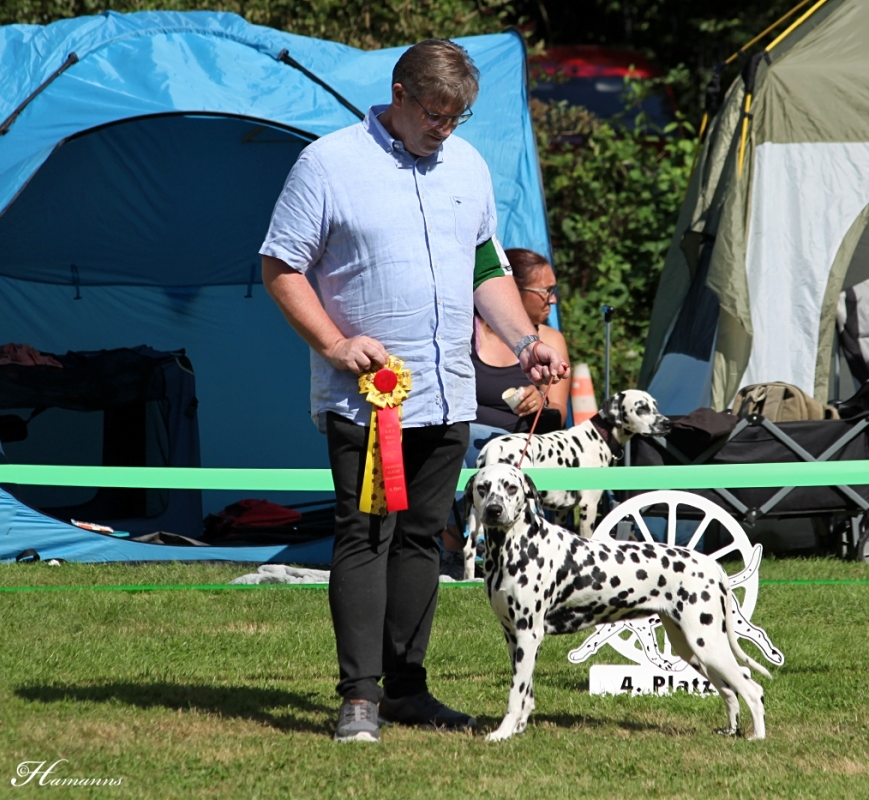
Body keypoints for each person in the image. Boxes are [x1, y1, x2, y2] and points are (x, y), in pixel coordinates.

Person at [260, 39, 568, 743]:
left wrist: (524, 341)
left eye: (457, 119)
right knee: (366, 536)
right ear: (399, 93)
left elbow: (485, 263)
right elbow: (281, 266)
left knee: (424, 540)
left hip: (449, 392)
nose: (445, 130)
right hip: (366, 396)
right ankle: (358, 699)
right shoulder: (328, 164)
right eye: (434, 115)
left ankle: (408, 689)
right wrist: (336, 346)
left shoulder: (468, 164)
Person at [468, 247, 571, 463]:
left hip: (521, 455)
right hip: (467, 449)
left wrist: (541, 401)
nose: (553, 300)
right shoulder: (465, 331)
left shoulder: (551, 340)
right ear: (513, 291)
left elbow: (558, 413)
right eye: (546, 291)